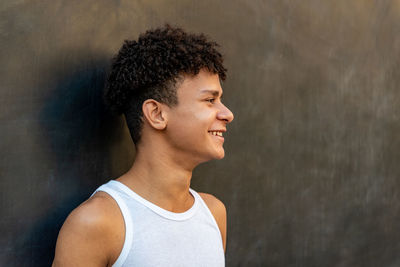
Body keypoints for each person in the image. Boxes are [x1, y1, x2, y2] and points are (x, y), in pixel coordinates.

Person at [52, 24, 234, 267]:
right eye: (210, 100)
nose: (227, 114)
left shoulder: (213, 213)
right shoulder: (98, 222)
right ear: (156, 114)